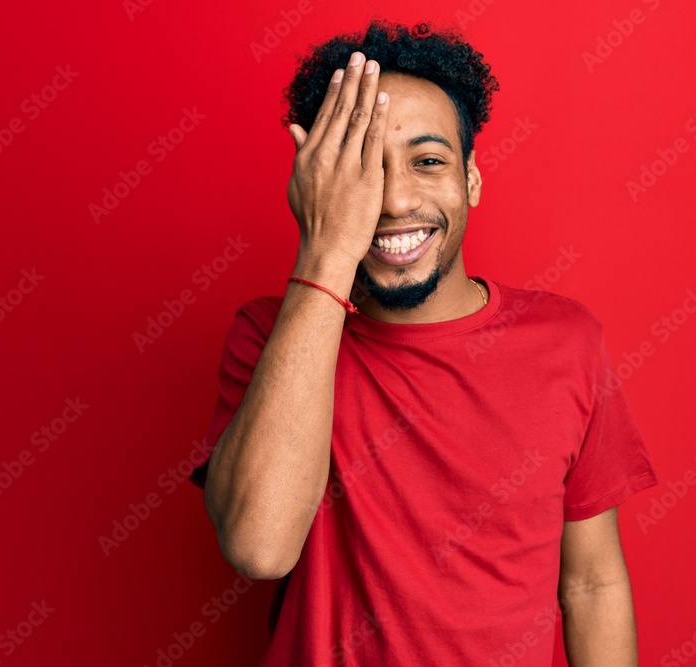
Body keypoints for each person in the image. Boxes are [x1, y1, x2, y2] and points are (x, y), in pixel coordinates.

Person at [190, 19, 658, 666]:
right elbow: (258, 546)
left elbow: (592, 583)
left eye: (428, 161)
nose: (395, 199)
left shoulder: (567, 342)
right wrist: (327, 249)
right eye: (362, 169)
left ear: (471, 178)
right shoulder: (269, 336)